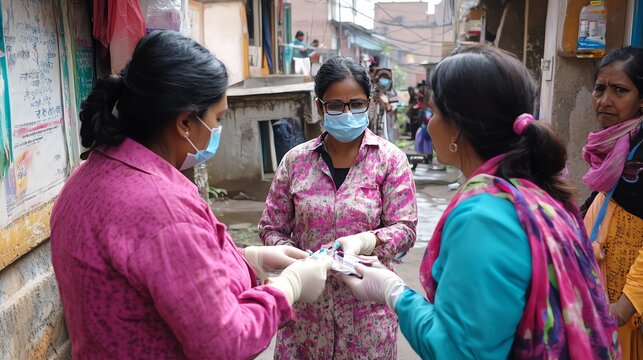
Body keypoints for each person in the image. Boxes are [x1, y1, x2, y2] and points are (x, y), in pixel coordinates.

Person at [50, 31, 332, 359]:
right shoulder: (160, 206)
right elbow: (227, 342)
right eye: (218, 119)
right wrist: (289, 287)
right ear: (185, 121)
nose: (217, 130)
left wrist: (245, 258)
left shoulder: (87, 176)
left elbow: (166, 267)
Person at [341, 45, 620, 359]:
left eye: (434, 112)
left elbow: (460, 351)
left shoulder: (483, 217)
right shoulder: (538, 193)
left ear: (457, 125)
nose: (429, 124)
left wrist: (393, 291)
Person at [259, 56, 417, 359]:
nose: (347, 113)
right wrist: (295, 257)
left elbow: (406, 230)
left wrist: (367, 240)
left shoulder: (390, 160)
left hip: (367, 319)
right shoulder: (296, 161)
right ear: (320, 107)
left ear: (369, 104)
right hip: (306, 318)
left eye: (356, 104)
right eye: (336, 106)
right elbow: (271, 227)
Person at [580, 46, 643, 359]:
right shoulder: (611, 147)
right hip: (601, 303)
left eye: (620, 91)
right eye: (600, 89)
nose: (605, 101)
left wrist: (623, 307)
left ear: (642, 99)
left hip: (629, 311)